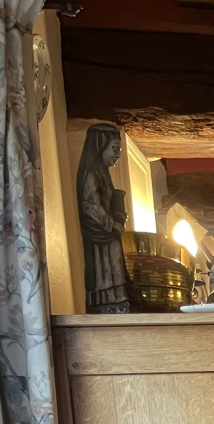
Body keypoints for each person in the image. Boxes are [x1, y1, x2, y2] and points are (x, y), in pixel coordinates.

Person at [76, 123, 132, 313]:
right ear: (100, 147)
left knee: (113, 267)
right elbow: (90, 205)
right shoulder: (92, 175)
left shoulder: (103, 173)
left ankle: (115, 299)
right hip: (100, 233)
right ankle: (107, 301)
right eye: (114, 149)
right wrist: (112, 224)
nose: (118, 154)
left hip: (107, 233)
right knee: (104, 270)